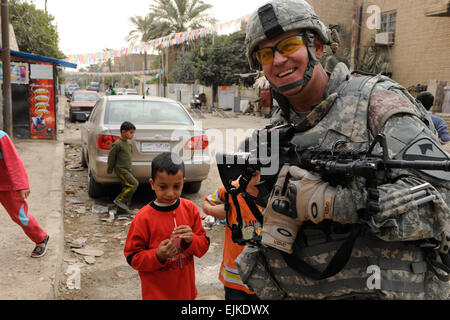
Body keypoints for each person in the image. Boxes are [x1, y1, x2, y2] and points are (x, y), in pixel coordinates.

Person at [234, 0, 450, 300]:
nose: (279, 60)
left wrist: (335, 203)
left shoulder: (377, 103)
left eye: (289, 45)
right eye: (266, 53)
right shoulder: (275, 131)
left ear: (318, 47)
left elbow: (443, 200)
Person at [123, 152, 210, 300]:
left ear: (183, 182)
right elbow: (132, 257)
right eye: (163, 187)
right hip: (157, 294)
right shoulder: (143, 218)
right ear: (152, 184)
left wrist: (191, 240)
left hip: (186, 293)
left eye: (176, 186)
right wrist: (157, 255)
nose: (170, 193)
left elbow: (203, 246)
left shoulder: (190, 209)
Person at [202, 169, 262, 300]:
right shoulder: (232, 189)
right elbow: (206, 204)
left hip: (264, 278)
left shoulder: (276, 193)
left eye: (264, 174)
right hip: (234, 277)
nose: (258, 180)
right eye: (254, 175)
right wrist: (219, 210)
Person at [0, 130, 50, 258]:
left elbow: (14, 162)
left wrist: (21, 185)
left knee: (20, 216)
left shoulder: (2, 137)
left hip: (7, 186)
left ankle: (41, 238)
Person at [107, 121, 138, 214]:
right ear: (124, 132)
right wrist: (110, 168)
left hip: (127, 169)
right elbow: (111, 157)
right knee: (134, 184)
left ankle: (122, 209)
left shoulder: (128, 143)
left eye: (133, 133)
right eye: (131, 132)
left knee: (126, 186)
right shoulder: (117, 144)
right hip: (121, 169)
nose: (133, 135)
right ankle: (119, 200)